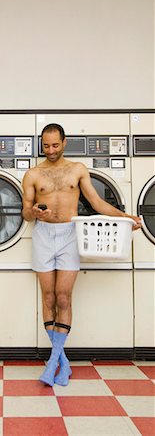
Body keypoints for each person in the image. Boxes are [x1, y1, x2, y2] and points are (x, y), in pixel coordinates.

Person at [22, 123, 141, 387]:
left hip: (70, 235)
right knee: (48, 296)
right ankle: (61, 361)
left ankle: (53, 361)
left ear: (64, 142)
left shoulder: (77, 170)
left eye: (55, 145)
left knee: (64, 297)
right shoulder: (32, 174)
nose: (51, 150)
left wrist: (126, 217)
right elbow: (25, 211)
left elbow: (96, 202)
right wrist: (35, 214)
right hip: (43, 234)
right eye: (46, 146)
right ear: (41, 145)